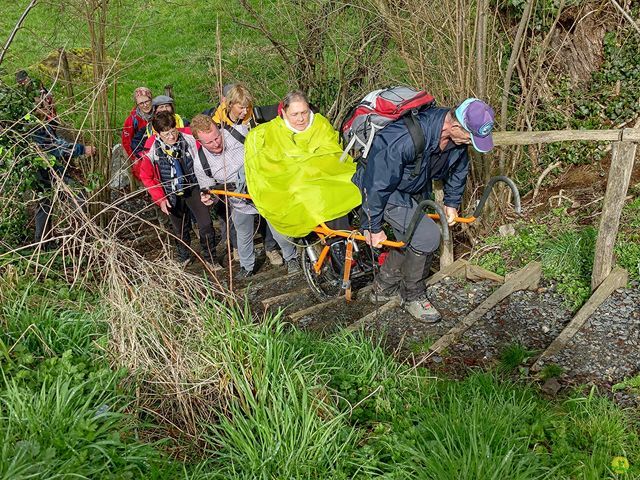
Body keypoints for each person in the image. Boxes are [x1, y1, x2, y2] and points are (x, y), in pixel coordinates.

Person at [352, 97, 496, 323]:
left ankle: (382, 287)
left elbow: (459, 168)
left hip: (411, 189)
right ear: (455, 126)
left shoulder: (455, 141)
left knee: (410, 237)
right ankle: (413, 296)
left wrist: (452, 202)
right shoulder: (404, 138)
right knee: (428, 237)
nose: (470, 143)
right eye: (470, 137)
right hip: (381, 191)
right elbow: (377, 182)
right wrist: (372, 226)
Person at [190, 114, 300, 277]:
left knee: (279, 230)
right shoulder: (200, 162)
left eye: (217, 138)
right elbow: (210, 191)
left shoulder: (238, 133)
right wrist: (208, 199)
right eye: (210, 142)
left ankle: (291, 257)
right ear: (199, 142)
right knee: (242, 231)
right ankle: (247, 266)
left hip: (264, 192)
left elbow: (266, 150)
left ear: (219, 129)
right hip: (239, 201)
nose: (216, 143)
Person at [244, 90, 361, 239]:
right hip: (297, 182)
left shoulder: (320, 124)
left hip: (328, 175)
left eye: (304, 113)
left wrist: (310, 164)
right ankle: (337, 242)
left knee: (356, 181)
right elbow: (273, 162)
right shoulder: (273, 131)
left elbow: (332, 153)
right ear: (285, 113)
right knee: (312, 192)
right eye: (295, 114)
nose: (300, 119)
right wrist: (304, 166)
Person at [138, 111, 221, 268]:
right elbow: (146, 177)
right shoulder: (152, 152)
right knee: (180, 229)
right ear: (158, 133)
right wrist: (161, 199)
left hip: (194, 186)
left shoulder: (190, 140)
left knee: (206, 224)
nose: (171, 136)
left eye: (173, 131)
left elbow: (205, 160)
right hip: (171, 192)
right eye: (166, 134)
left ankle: (211, 257)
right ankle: (184, 256)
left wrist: (207, 186)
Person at [29, 113, 95, 245]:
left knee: (45, 204)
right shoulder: (34, 125)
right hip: (43, 171)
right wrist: (81, 149)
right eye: (48, 103)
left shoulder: (42, 121)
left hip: (46, 169)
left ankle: (42, 243)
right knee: (77, 195)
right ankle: (82, 237)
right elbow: (54, 146)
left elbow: (54, 140)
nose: (52, 106)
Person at [121, 87, 153, 180]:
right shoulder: (132, 120)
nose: (145, 105)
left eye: (147, 101)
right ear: (137, 104)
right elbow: (126, 141)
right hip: (142, 154)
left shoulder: (158, 112)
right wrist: (135, 157)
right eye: (141, 103)